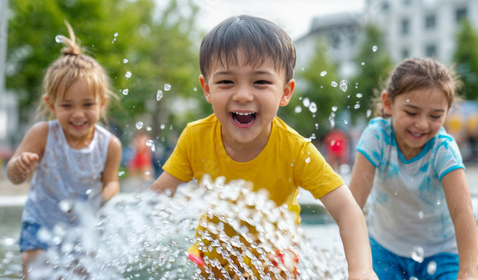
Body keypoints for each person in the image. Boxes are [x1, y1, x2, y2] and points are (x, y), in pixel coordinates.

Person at [151, 15, 377, 279]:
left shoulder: (295, 150)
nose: (243, 95)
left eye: (260, 82)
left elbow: (346, 208)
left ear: (285, 91)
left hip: (274, 268)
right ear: (206, 88)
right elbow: (157, 199)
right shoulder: (195, 138)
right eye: (226, 82)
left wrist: (361, 270)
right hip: (214, 268)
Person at [6, 21, 122, 279]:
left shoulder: (109, 145)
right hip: (41, 222)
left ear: (102, 104)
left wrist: (104, 197)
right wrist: (20, 164)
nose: (78, 114)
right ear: (51, 104)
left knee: (84, 272)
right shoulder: (43, 134)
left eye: (88, 104)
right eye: (67, 105)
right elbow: (13, 176)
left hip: (81, 227)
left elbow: (112, 181)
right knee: (33, 265)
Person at [349, 57, 478, 279]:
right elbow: (352, 204)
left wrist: (468, 273)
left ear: (447, 112)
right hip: (383, 249)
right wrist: (356, 266)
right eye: (411, 112)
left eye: (435, 116)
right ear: (388, 104)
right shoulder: (377, 137)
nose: (422, 124)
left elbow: (463, 214)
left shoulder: (443, 150)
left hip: (441, 254)